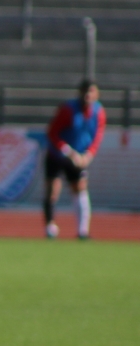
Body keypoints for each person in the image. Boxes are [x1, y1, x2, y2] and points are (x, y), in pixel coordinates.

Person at [43, 79, 104, 240]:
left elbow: (97, 137)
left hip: (79, 157)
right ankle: (50, 226)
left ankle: (82, 231)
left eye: (91, 92)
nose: (87, 95)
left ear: (97, 94)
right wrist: (68, 152)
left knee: (80, 188)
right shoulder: (68, 109)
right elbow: (52, 133)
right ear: (80, 93)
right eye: (85, 91)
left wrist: (88, 155)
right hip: (57, 155)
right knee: (52, 190)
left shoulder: (98, 112)